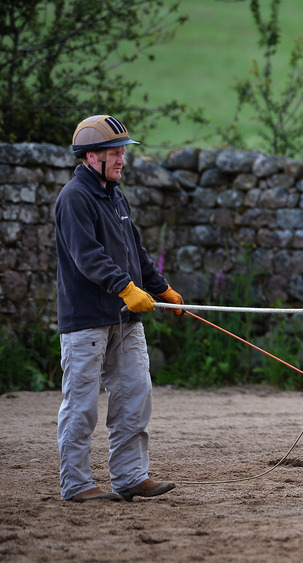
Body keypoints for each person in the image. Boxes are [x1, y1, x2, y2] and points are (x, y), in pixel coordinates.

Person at [54, 115, 185, 502]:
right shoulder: (73, 199)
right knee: (81, 406)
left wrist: (163, 290)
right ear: (91, 156)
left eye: (122, 153)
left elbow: (135, 253)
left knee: (134, 395)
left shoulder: (115, 195)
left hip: (127, 319)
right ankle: (77, 485)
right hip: (87, 321)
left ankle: (130, 477)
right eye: (115, 153)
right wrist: (126, 288)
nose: (122, 160)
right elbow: (88, 257)